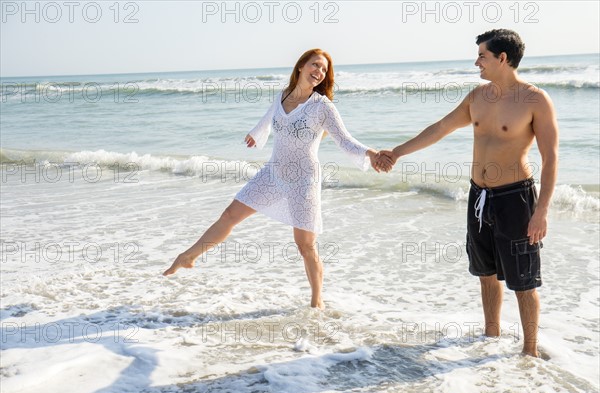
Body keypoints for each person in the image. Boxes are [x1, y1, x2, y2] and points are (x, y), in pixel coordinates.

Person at [163, 49, 392, 309]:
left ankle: (317, 303)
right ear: (300, 67)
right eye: (315, 65)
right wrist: (256, 133)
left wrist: (371, 153)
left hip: (304, 179)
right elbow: (270, 118)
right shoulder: (282, 95)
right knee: (229, 215)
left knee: (305, 245)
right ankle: (187, 256)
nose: (319, 72)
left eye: (324, 70)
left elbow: (345, 139)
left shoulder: (323, 107)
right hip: (273, 173)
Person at [380, 29, 559, 357]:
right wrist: (397, 152)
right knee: (485, 272)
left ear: (502, 59)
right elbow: (440, 128)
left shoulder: (535, 100)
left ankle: (529, 352)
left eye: (482, 56)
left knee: (523, 279)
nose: (477, 62)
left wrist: (541, 210)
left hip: (515, 199)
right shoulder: (477, 97)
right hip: (478, 196)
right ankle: (490, 338)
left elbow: (550, 159)